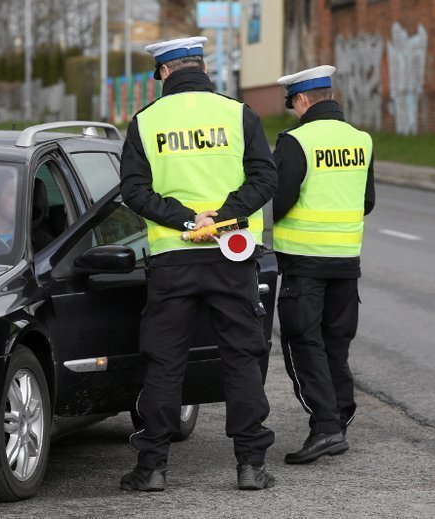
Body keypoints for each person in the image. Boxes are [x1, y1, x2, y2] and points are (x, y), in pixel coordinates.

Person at [119, 36, 278, 492]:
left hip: (173, 259)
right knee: (241, 357)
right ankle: (250, 465)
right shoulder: (238, 114)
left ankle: (152, 468)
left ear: (164, 73)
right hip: (232, 256)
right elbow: (265, 176)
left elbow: (134, 190)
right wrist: (224, 217)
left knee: (165, 361)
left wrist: (190, 220)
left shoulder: (146, 122)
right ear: (203, 68)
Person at [272, 65, 375, 465]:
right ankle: (338, 418)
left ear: (300, 100)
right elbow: (367, 202)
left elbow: (280, 202)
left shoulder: (296, 141)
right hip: (346, 264)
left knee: (303, 344)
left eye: (292, 104)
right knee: (336, 345)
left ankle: (327, 428)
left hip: (304, 264)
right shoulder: (361, 140)